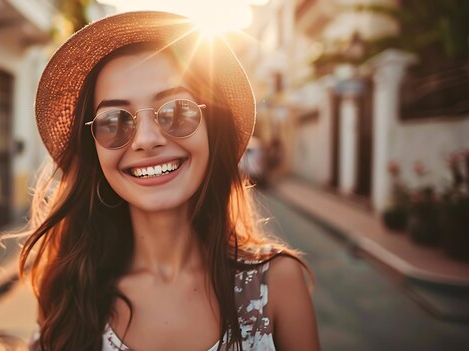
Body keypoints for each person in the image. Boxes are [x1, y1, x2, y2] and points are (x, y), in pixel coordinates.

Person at [20, 11, 320, 351]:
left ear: (211, 127)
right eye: (114, 120)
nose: (146, 140)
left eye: (176, 110)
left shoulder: (276, 286)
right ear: (94, 152)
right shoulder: (67, 293)